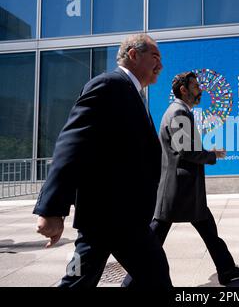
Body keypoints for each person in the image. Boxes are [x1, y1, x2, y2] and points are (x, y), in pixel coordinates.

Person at [33, 34, 172, 289]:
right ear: (133, 55)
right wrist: (52, 208)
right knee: (154, 278)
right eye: (155, 57)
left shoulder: (132, 92)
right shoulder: (109, 85)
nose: (160, 66)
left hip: (121, 218)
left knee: (84, 280)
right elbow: (71, 145)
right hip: (112, 216)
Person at [124, 71, 239, 286]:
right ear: (183, 90)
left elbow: (185, 149)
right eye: (195, 87)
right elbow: (186, 151)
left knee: (207, 229)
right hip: (180, 189)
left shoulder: (179, 111)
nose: (200, 90)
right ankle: (131, 281)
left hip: (183, 188)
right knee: (155, 237)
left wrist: (207, 152)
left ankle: (226, 269)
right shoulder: (178, 113)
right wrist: (212, 155)